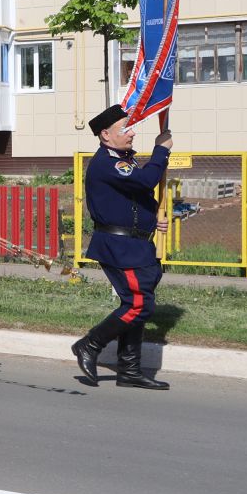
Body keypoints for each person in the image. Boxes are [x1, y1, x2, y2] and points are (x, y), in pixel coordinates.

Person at [71, 105, 173, 390]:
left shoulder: (122, 159)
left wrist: (153, 221)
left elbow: (134, 198)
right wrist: (161, 150)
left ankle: (129, 370)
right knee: (139, 304)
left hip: (136, 245)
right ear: (105, 135)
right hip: (119, 247)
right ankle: (89, 345)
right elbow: (145, 180)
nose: (132, 132)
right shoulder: (107, 162)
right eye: (125, 128)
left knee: (137, 304)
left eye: (130, 127)